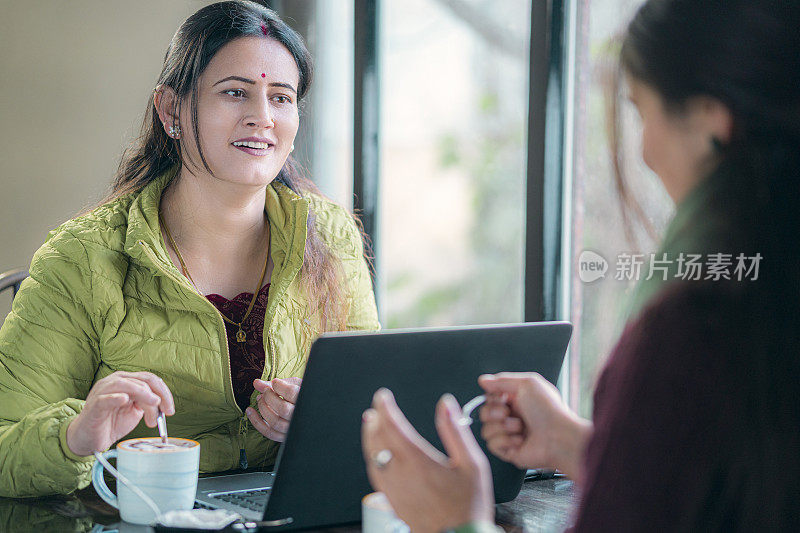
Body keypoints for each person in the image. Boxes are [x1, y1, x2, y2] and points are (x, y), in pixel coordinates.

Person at [361, 0, 800, 531]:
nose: (642, 152)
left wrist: (458, 520)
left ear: (712, 121)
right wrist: (580, 445)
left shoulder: (694, 326)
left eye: (642, 111)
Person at [0, 0, 379, 498]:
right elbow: (5, 446)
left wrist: (324, 418)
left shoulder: (330, 236)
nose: (262, 117)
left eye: (281, 98)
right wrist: (76, 436)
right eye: (235, 92)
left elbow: (373, 410)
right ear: (170, 110)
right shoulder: (81, 258)